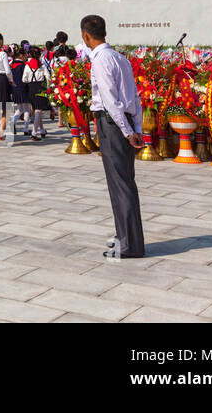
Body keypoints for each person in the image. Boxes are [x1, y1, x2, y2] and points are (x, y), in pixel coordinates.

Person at [81, 15, 145, 259]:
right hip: (124, 122)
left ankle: (130, 245)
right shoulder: (120, 58)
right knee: (122, 182)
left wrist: (128, 132)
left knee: (121, 184)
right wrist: (135, 127)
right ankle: (124, 237)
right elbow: (134, 97)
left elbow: (110, 100)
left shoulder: (100, 60)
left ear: (86, 36)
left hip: (112, 124)